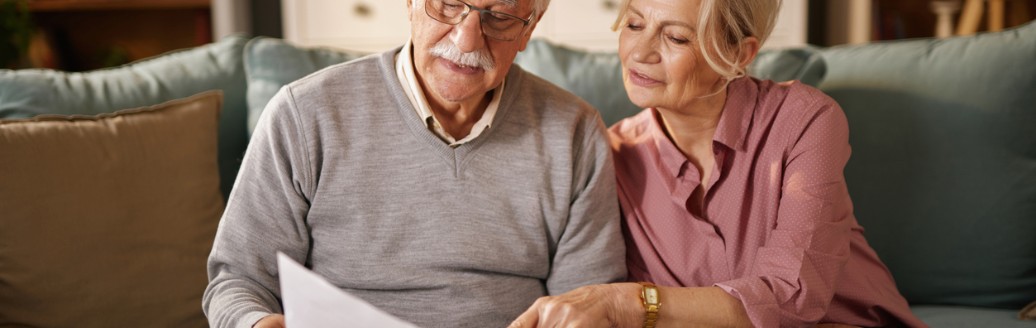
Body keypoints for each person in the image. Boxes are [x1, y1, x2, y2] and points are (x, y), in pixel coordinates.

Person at [202, 0, 627, 327]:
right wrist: (257, 322)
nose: (467, 40)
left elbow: (584, 302)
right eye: (446, 4)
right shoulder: (304, 114)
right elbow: (238, 280)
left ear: (529, 29)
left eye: (498, 16)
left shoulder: (575, 132)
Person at [509, 0, 926, 327]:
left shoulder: (805, 120)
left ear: (739, 53)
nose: (641, 52)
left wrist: (633, 305)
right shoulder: (610, 157)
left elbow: (791, 295)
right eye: (635, 25)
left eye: (675, 37)